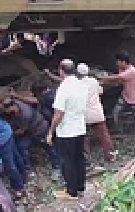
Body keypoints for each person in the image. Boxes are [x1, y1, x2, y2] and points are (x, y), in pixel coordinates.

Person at [46, 59, 87, 200]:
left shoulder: (63, 88)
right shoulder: (81, 84)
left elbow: (58, 113)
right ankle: (80, 186)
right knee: (78, 158)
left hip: (67, 131)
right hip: (80, 127)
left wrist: (51, 131)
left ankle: (71, 191)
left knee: (67, 160)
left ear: (61, 70)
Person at [1, 96, 60, 181]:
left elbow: (21, 131)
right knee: (21, 147)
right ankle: (28, 169)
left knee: (49, 147)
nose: (4, 111)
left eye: (4, 109)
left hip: (40, 130)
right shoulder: (15, 105)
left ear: (11, 107)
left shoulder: (25, 114)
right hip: (30, 131)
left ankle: (56, 167)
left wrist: (8, 133)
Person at [98, 52, 135, 133]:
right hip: (125, 96)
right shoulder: (122, 69)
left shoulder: (132, 71)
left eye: (118, 61)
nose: (117, 64)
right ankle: (120, 131)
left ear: (123, 62)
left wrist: (102, 78)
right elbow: (120, 80)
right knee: (116, 113)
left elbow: (118, 77)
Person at [77, 63, 115, 162]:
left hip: (83, 115)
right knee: (104, 136)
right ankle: (110, 157)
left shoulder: (76, 84)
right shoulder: (93, 81)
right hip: (96, 113)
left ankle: (87, 159)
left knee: (83, 137)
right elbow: (101, 92)